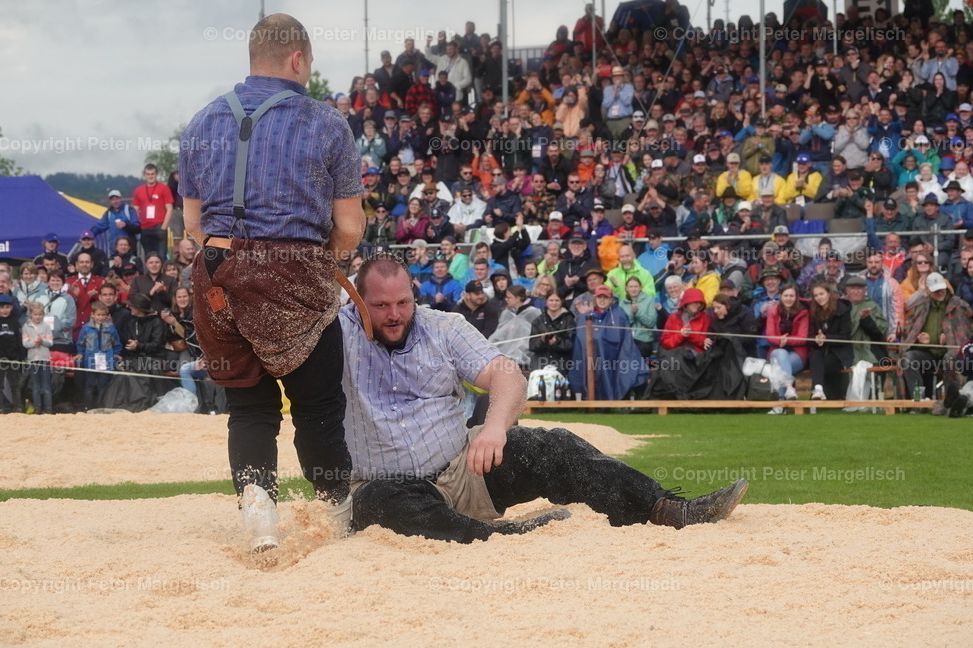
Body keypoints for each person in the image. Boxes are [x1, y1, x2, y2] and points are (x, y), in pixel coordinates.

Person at [336, 256, 747, 542]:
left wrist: (494, 429)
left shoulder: (442, 326)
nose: (395, 314)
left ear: (414, 294)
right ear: (357, 301)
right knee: (379, 501)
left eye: (403, 302)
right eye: (381, 306)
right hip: (384, 487)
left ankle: (666, 509)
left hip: (462, 470)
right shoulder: (336, 333)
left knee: (553, 446)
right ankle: (495, 537)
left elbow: (507, 375)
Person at [179, 13, 364, 551]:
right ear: (298, 59)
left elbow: (192, 223)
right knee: (318, 405)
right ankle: (335, 512)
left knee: (248, 408)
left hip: (215, 273)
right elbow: (350, 226)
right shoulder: (326, 122)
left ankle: (259, 517)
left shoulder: (201, 122)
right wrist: (324, 263)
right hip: (292, 268)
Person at [900, 272, 973, 400]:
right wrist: (919, 341)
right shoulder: (921, 306)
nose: (940, 292)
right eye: (935, 290)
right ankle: (918, 401)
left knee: (950, 359)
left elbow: (966, 335)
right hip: (928, 354)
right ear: (928, 291)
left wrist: (948, 340)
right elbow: (909, 332)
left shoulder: (959, 305)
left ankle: (952, 400)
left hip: (952, 353)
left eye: (941, 289)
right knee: (908, 359)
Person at [570, 285, 649, 400]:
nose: (602, 300)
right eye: (599, 297)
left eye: (605, 297)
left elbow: (625, 339)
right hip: (591, 359)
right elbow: (580, 340)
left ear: (611, 299)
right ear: (595, 299)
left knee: (633, 367)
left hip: (616, 357)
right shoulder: (585, 317)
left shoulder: (619, 315)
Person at [808, 282, 853, 400]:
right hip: (821, 350)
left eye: (821, 294)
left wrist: (826, 338)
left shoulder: (842, 310)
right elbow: (809, 336)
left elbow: (845, 337)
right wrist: (816, 339)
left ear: (829, 294)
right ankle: (818, 389)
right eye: (816, 295)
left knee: (822, 364)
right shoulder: (813, 311)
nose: (819, 297)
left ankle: (822, 393)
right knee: (815, 356)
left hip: (840, 352)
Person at [74, 301, 122, 410]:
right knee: (89, 384)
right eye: (98, 315)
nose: (101, 317)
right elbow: (81, 343)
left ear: (107, 315)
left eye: (103, 315)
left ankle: (101, 405)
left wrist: (116, 354)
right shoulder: (86, 328)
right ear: (92, 315)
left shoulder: (110, 328)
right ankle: (87, 406)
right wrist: (80, 353)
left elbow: (116, 342)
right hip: (90, 360)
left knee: (103, 384)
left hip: (105, 359)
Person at [0, 295, 24, 413]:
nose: (5, 310)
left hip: (13, 358)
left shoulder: (15, 322)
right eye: (2, 307)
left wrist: (21, 357)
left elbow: (19, 341)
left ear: (11, 307)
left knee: (15, 384)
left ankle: (18, 406)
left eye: (7, 307)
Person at [132, 163, 174, 259]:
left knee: (161, 256)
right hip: (145, 228)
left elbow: (169, 208)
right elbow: (135, 209)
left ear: (156, 174)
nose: (150, 176)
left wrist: (164, 226)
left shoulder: (164, 188)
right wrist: (138, 224)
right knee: (148, 256)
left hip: (159, 227)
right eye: (148, 174)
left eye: (152, 174)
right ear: (144, 175)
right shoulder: (138, 190)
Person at [528, 291, 575, 372]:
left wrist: (556, 342)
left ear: (561, 302)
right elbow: (532, 345)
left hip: (561, 362)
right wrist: (542, 340)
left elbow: (570, 344)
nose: (554, 303)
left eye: (557, 300)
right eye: (551, 300)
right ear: (546, 302)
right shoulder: (538, 320)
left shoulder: (569, 320)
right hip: (540, 362)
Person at [22, 301, 54, 414]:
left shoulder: (46, 326)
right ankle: (37, 407)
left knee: (46, 384)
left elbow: (50, 342)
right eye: (35, 314)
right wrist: (34, 343)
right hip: (32, 359)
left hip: (44, 359)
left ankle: (48, 408)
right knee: (35, 385)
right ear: (31, 314)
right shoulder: (26, 326)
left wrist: (42, 341)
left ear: (43, 314)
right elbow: (25, 343)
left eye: (40, 314)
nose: (38, 317)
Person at [66, 252, 106, 341]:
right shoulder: (68, 283)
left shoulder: (101, 282)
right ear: (76, 264)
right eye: (81, 262)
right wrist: (76, 296)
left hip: (95, 330)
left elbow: (106, 305)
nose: (84, 264)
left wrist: (96, 297)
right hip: (75, 331)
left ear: (92, 264)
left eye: (87, 262)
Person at [36, 271, 76, 354]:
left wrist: (54, 330)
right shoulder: (39, 295)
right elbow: (31, 314)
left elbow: (71, 320)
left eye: (58, 280)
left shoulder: (68, 298)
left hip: (61, 341)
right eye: (53, 280)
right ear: (48, 282)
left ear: (63, 282)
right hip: (41, 340)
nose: (55, 283)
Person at [619, 276, 657, 359]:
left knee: (634, 356)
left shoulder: (649, 300)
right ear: (626, 288)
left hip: (644, 340)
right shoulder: (622, 303)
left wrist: (638, 312)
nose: (633, 289)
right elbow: (622, 325)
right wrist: (632, 314)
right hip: (627, 340)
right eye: (631, 287)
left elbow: (651, 323)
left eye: (636, 286)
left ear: (640, 288)